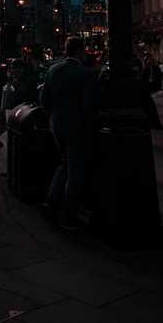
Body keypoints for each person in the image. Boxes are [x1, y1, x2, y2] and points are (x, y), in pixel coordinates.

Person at [40, 38, 98, 230]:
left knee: (64, 164)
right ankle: (69, 214)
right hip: (77, 128)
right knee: (75, 170)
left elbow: (45, 101)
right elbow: (89, 105)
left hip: (57, 125)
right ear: (80, 51)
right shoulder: (85, 73)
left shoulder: (53, 70)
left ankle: (50, 202)